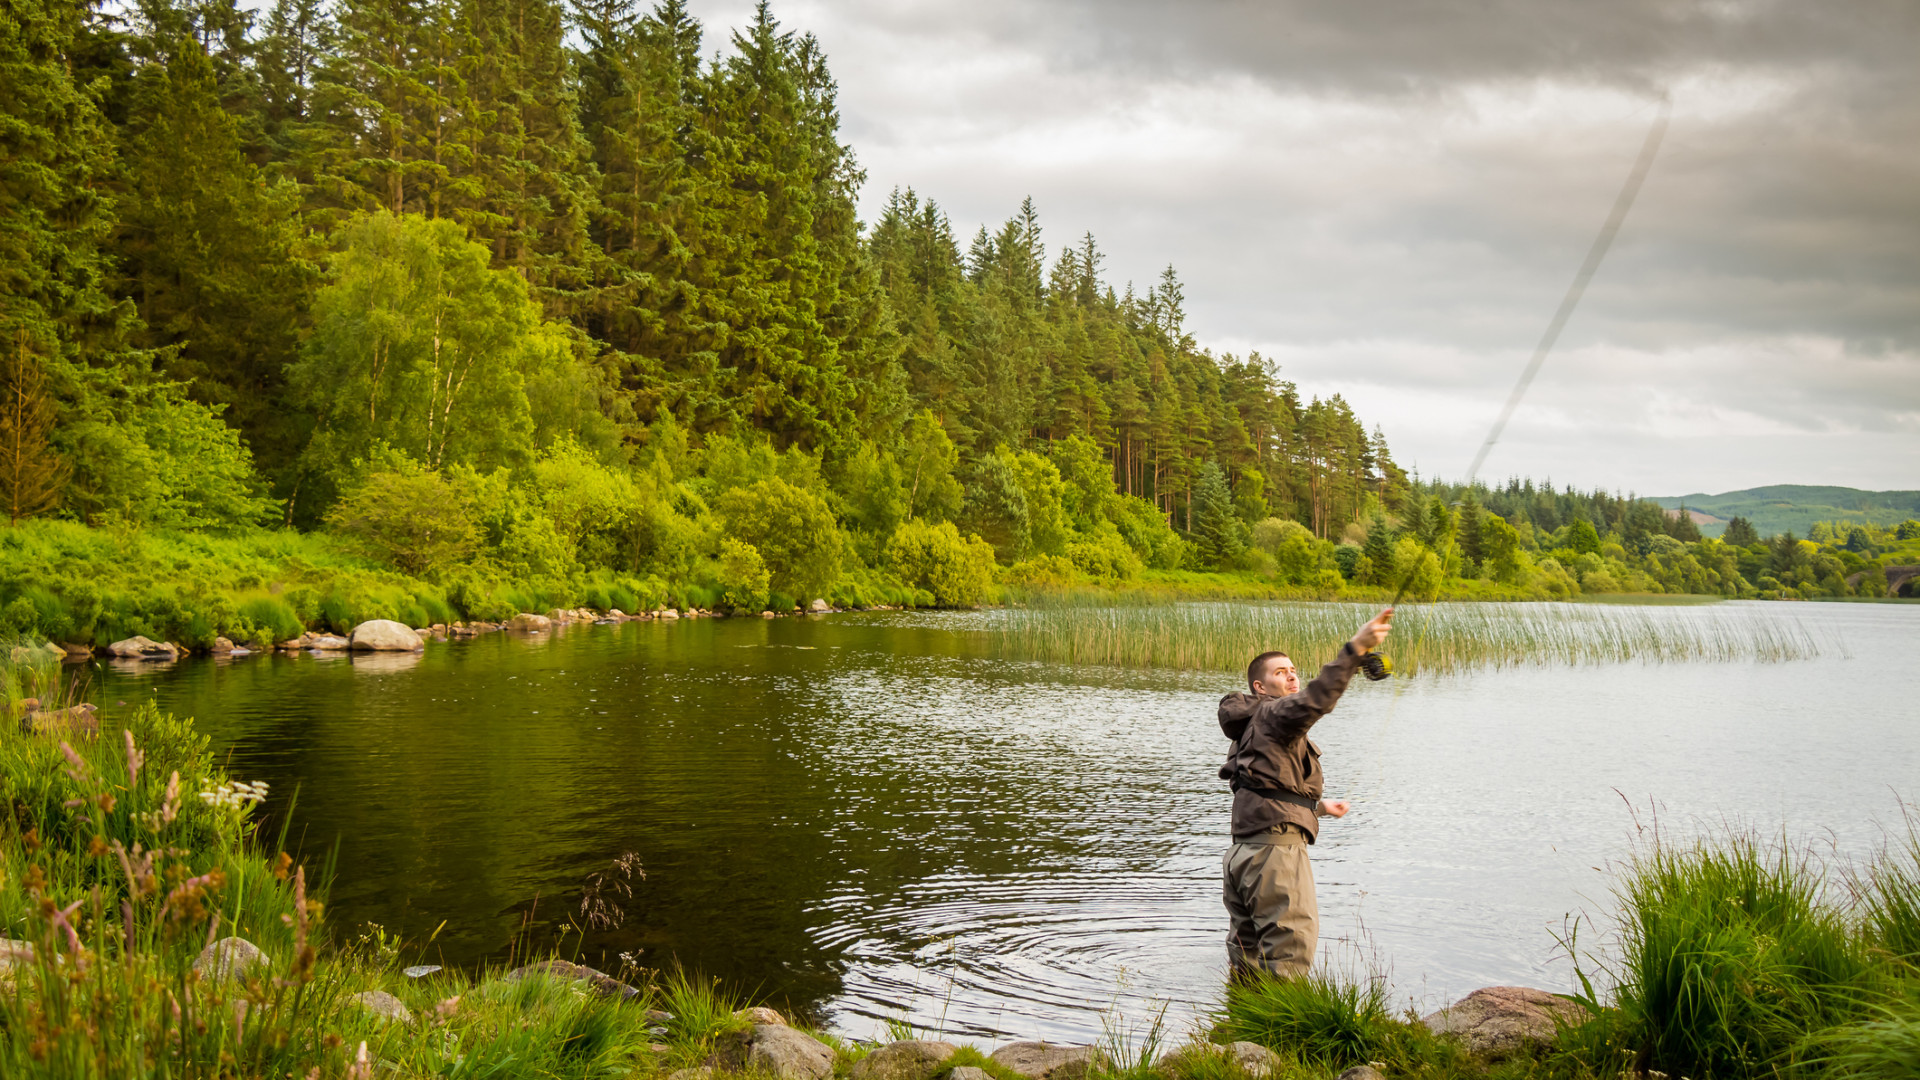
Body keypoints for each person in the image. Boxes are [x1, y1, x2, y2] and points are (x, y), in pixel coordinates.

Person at [1217, 607, 1393, 978]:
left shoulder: (1250, 725)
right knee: (1288, 953)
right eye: (1280, 672)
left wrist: (1318, 807)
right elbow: (1316, 699)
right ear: (1260, 688)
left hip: (1243, 854)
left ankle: (1240, 1032)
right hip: (1275, 855)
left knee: (1247, 958)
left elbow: (1261, 784)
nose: (1292, 675)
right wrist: (1355, 649)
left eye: (1293, 669)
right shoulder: (1274, 715)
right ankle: (1286, 1035)